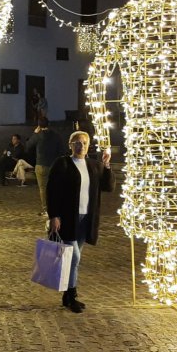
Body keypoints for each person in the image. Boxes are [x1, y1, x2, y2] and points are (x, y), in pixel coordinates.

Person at [45, 131, 113, 314]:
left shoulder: (93, 165)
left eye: (83, 143)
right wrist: (54, 215)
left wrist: (106, 164)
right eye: (76, 142)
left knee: (73, 259)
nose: (80, 146)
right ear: (70, 145)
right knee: (74, 257)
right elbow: (52, 190)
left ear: (88, 145)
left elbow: (108, 187)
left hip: (86, 219)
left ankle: (68, 296)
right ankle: (71, 295)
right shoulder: (63, 164)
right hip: (68, 218)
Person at [26, 118, 62, 213]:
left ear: (38, 125)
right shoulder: (56, 136)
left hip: (41, 164)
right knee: (54, 187)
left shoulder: (38, 136)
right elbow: (61, 150)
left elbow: (28, 146)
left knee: (43, 188)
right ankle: (56, 207)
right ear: (48, 124)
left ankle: (46, 209)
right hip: (54, 164)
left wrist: (34, 133)